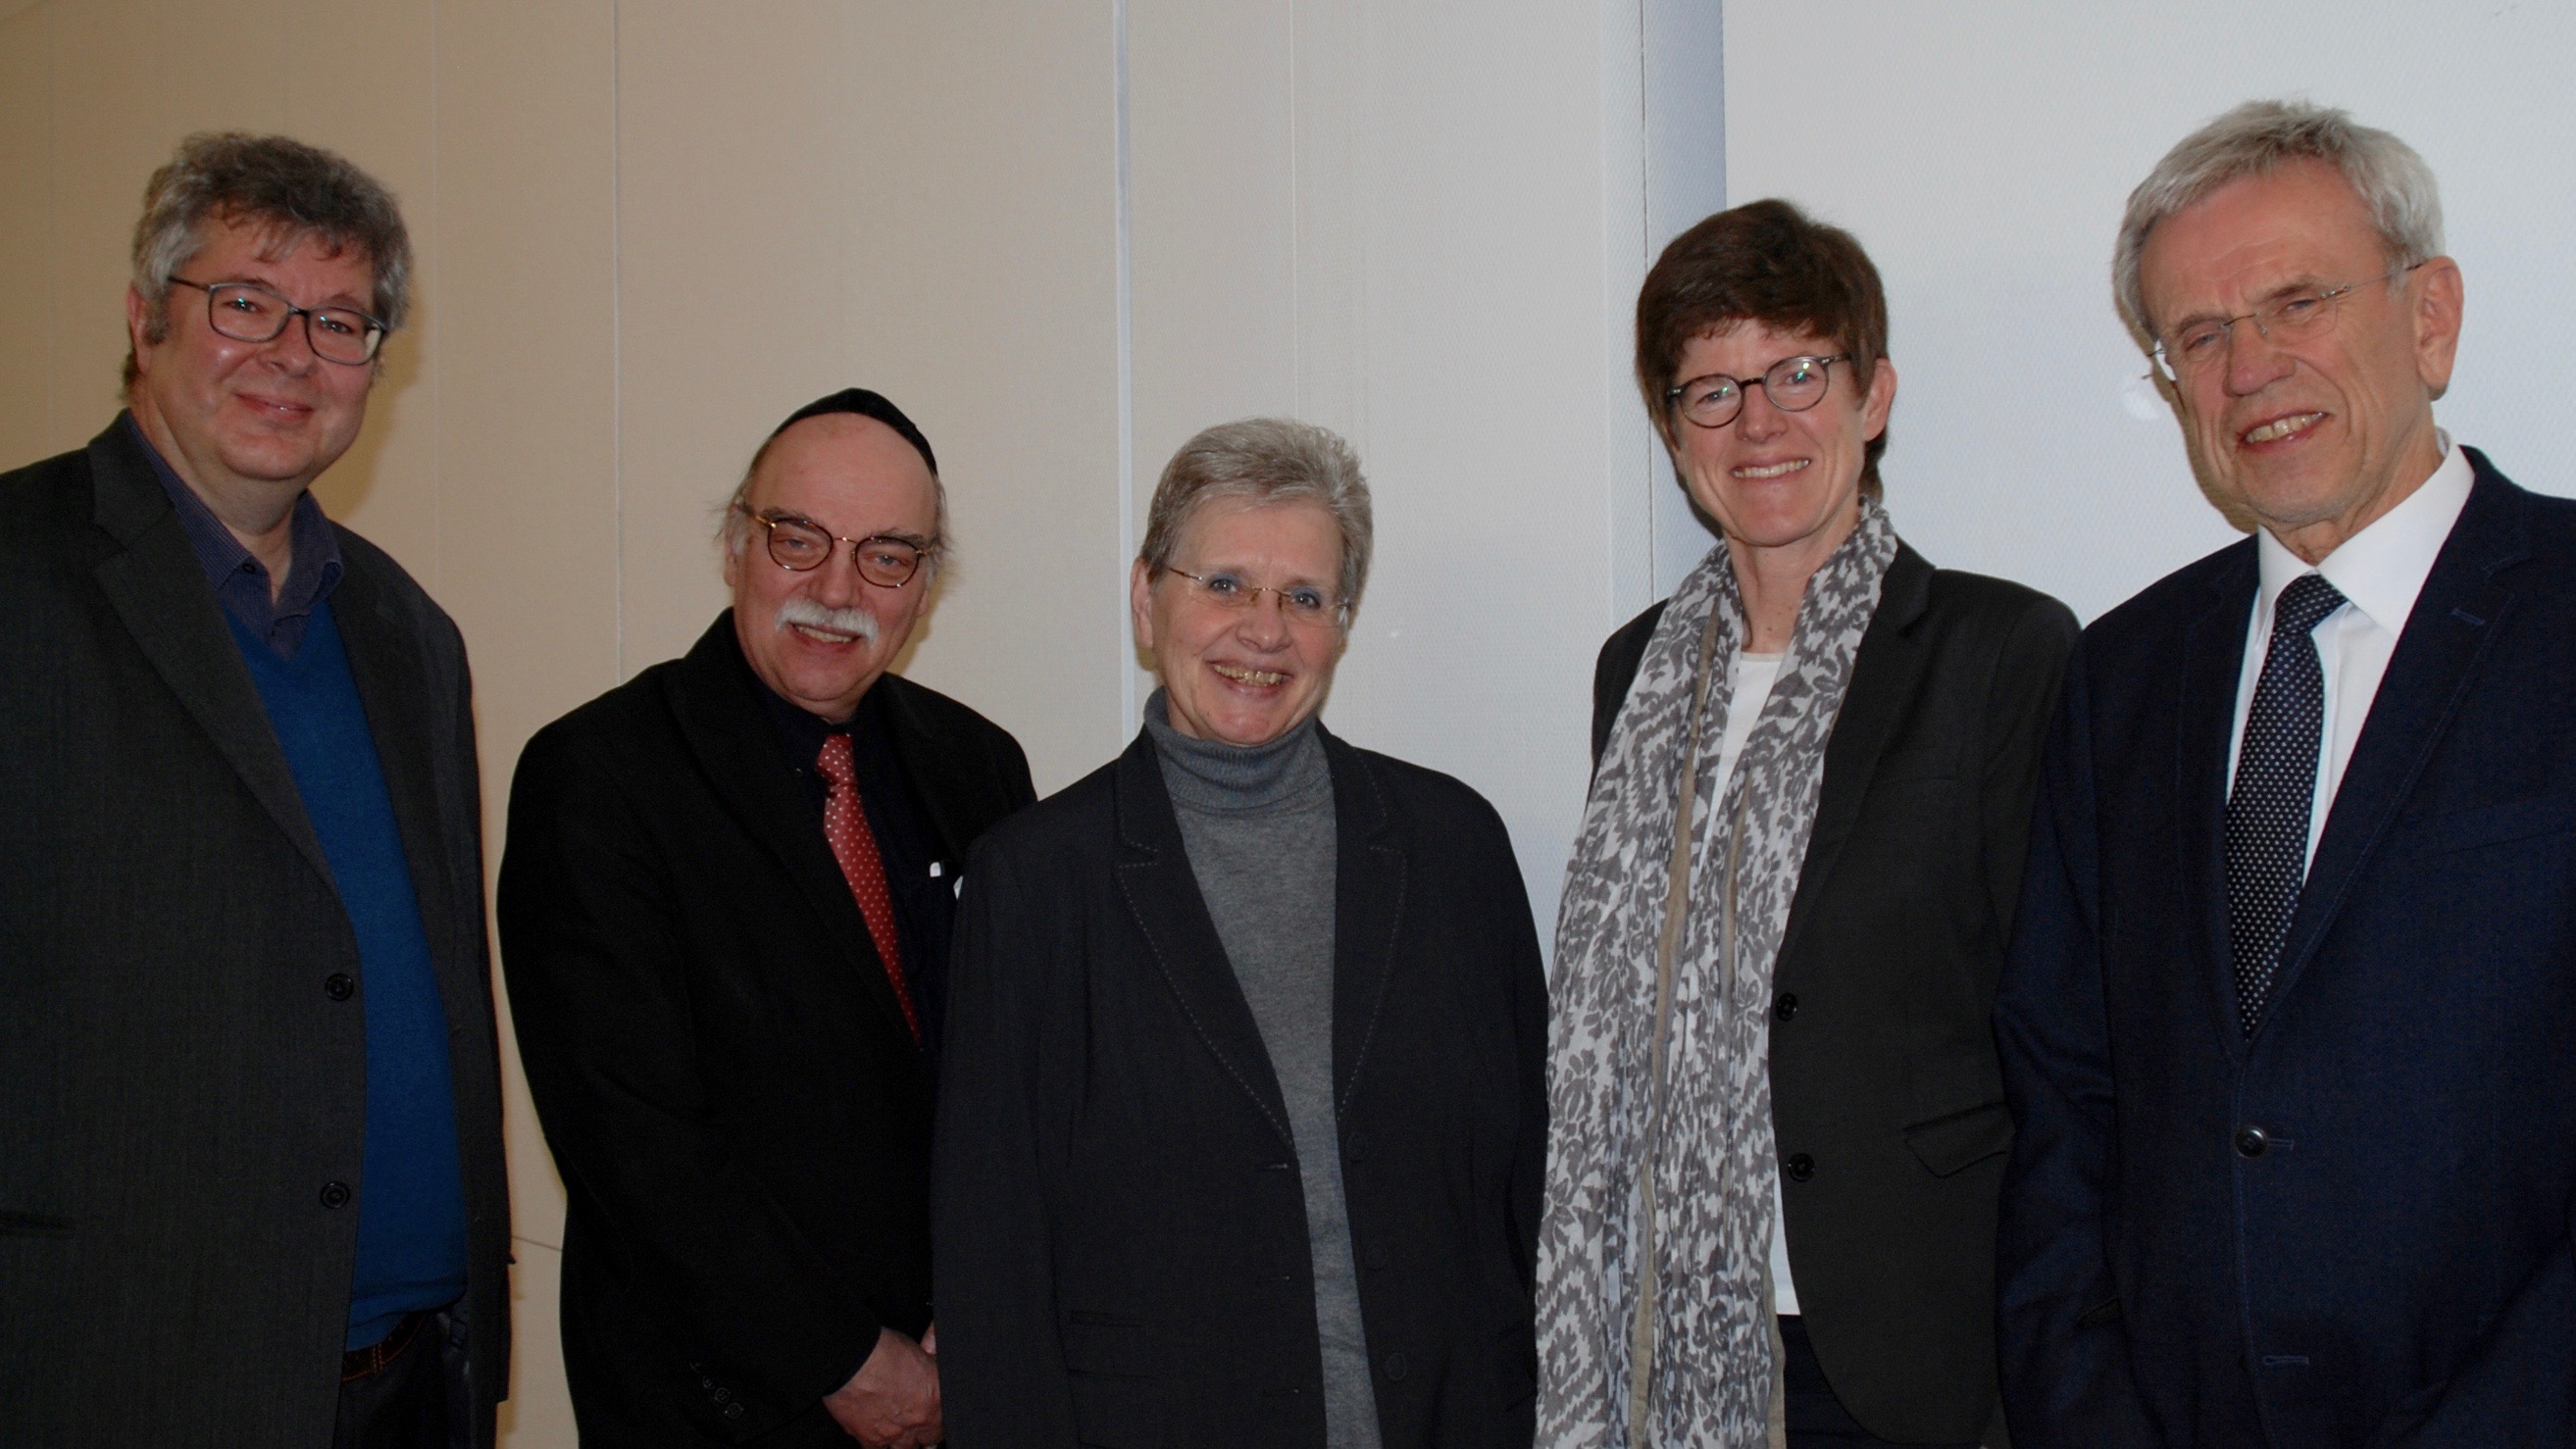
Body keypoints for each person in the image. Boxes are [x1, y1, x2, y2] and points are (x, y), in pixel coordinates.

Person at [1995, 99, 2576, 1446]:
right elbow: (2060, 1108)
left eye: (2295, 301)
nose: (2248, 366)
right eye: (2196, 335)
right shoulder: (2121, 676)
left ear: (2426, 317)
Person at [1539, 200, 2077, 1448]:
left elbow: (2054, 1022)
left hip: (1908, 1335)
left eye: (1795, 372)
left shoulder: (1999, 650)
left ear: (1871, 393)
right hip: (1658, 1329)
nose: (1758, 423)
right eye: (1709, 391)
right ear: (1673, 434)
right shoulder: (1636, 669)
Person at [0, 132, 511, 1446]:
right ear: (141, 318)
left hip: (410, 1378)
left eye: (339, 321)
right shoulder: (16, 579)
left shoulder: (408, 630)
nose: (292, 355)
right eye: (244, 301)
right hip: (120, 1374)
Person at [934, 418, 1548, 1447]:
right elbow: (994, 1262)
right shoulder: (1035, 882)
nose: (1262, 630)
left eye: (1302, 596)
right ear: (1146, 598)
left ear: (1340, 624)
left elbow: (1534, 1187)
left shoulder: (1453, 848)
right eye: (1222, 583)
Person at [499, 389, 1035, 1448]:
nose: (835, 589)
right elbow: (633, 1139)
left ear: (924, 585)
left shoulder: (979, 767)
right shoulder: (600, 776)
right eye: (799, 540)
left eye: (886, 555)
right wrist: (845, 1360)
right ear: (738, 543)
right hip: (723, 1402)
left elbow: (1020, 1083)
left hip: (959, 1382)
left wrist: (981, 1315)